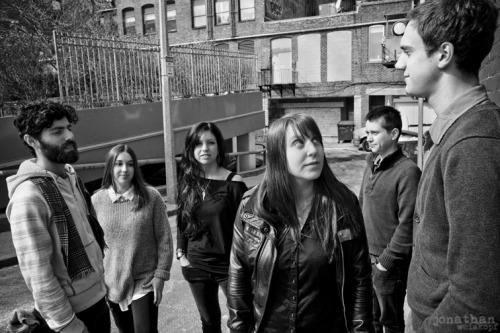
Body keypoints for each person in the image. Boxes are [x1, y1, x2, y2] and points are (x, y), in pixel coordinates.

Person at [395, 0, 500, 332]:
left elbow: (477, 300)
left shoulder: (474, 146)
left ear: (443, 54)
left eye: (408, 52)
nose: (399, 64)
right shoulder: (457, 132)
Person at [227, 114, 373, 333]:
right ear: (278, 154)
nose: (313, 150)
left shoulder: (343, 205)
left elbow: (359, 280)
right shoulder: (252, 208)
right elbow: (238, 279)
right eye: (298, 143)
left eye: (316, 140)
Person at [6, 102, 110, 333]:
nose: (69, 135)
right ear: (32, 141)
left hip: (98, 301)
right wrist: (67, 325)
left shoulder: (70, 177)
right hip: (71, 317)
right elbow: (38, 275)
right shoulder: (29, 196)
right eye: (57, 131)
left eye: (69, 127)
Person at [91, 144, 173, 333]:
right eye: (118, 164)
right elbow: (94, 244)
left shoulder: (151, 197)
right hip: (112, 282)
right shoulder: (96, 201)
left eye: (129, 164)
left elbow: (164, 239)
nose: (124, 169)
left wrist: (160, 274)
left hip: (144, 280)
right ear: (110, 167)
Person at [176, 122, 248, 333]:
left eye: (210, 143)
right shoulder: (188, 180)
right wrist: (182, 254)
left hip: (230, 267)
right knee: (209, 323)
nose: (205, 148)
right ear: (191, 148)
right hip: (196, 264)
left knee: (241, 322)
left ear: (219, 147)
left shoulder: (234, 183)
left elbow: (246, 228)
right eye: (198, 143)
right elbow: (182, 220)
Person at [359, 106, 421, 333]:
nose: (369, 138)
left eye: (375, 133)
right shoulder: (370, 164)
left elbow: (409, 224)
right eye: (367, 132)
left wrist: (386, 261)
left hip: (389, 265)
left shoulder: (408, 172)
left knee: (391, 322)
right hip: (366, 258)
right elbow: (361, 207)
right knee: (370, 318)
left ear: (393, 134)